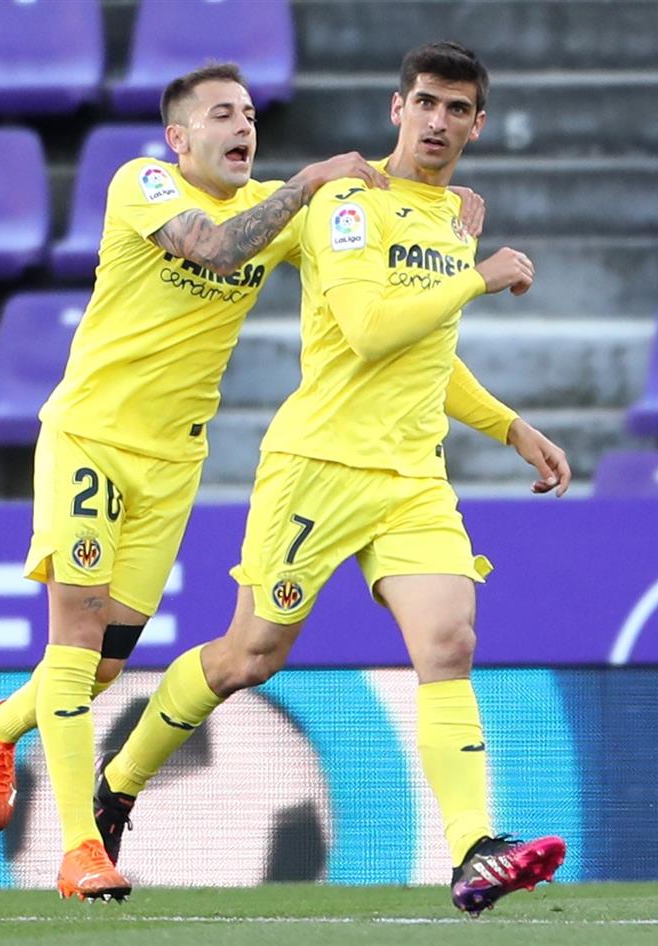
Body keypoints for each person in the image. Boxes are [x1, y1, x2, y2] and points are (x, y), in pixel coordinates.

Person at [0, 63, 486, 903]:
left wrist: (441, 211)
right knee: (74, 642)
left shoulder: (275, 208)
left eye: (249, 113)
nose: (243, 127)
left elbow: (379, 233)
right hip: (90, 440)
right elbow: (212, 246)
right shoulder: (143, 183)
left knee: (102, 668)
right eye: (221, 115)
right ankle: (77, 850)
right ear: (180, 138)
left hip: (175, 462)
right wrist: (312, 183)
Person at [91, 42, 571, 917]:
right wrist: (477, 275)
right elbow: (368, 330)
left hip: (411, 477)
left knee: (450, 643)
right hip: (317, 468)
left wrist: (508, 425)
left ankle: (472, 851)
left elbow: (427, 357)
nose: (438, 121)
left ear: (477, 124)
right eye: (424, 102)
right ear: (397, 109)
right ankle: (117, 783)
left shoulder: (448, 219)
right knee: (249, 658)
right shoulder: (348, 202)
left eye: (456, 109)